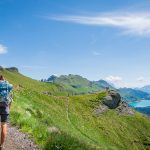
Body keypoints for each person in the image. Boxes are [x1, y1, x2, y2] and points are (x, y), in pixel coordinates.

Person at [0, 75, 13, 150]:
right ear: (3, 78)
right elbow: (11, 99)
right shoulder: (8, 86)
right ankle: (1, 145)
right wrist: (9, 108)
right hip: (5, 107)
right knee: (3, 125)